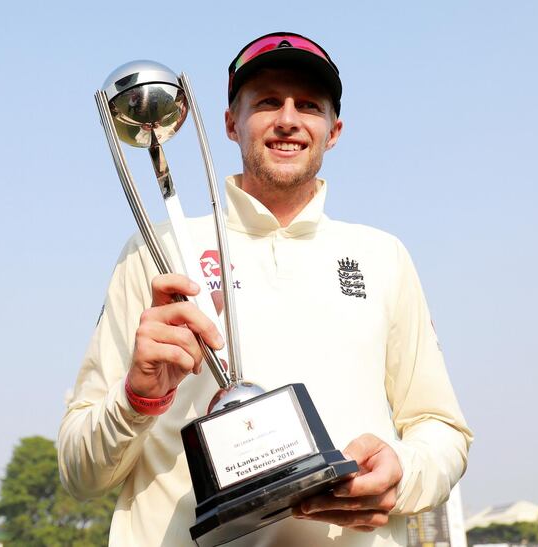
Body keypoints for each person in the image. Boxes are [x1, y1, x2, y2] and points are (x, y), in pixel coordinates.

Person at [59, 32, 473, 546]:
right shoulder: (155, 250)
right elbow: (78, 470)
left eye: (309, 106)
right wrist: (138, 397)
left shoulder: (381, 256)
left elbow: (441, 429)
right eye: (268, 102)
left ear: (334, 130)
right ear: (231, 123)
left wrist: (403, 474)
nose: (288, 119)